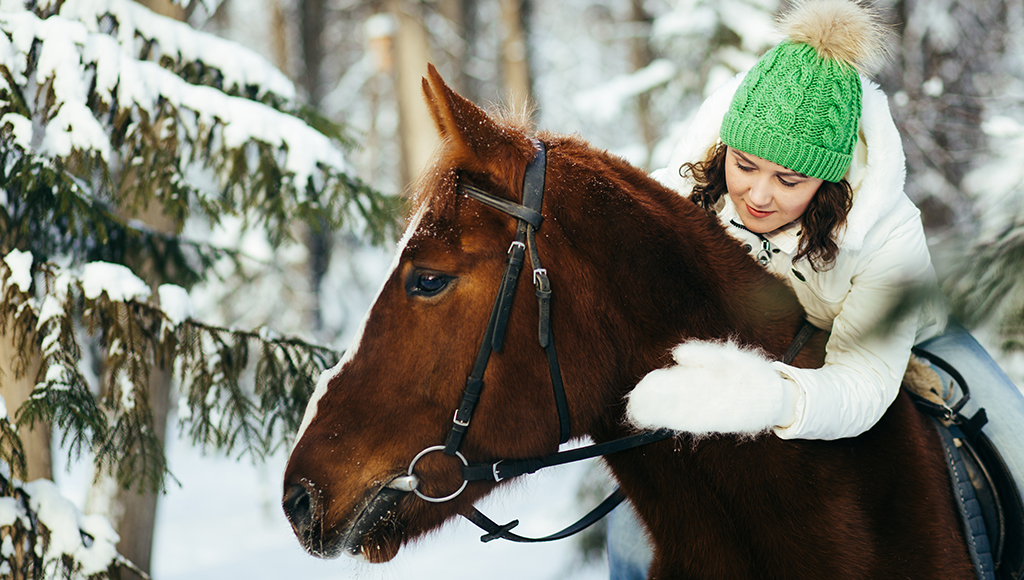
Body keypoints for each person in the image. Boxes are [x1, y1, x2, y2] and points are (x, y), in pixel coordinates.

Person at [608, 0, 949, 577]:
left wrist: (774, 399)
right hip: (760, 344)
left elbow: (866, 379)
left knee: (1012, 441)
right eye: (744, 165)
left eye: (789, 179)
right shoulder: (681, 195)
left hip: (902, 342)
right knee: (634, 537)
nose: (758, 196)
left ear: (829, 179)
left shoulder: (890, 234)